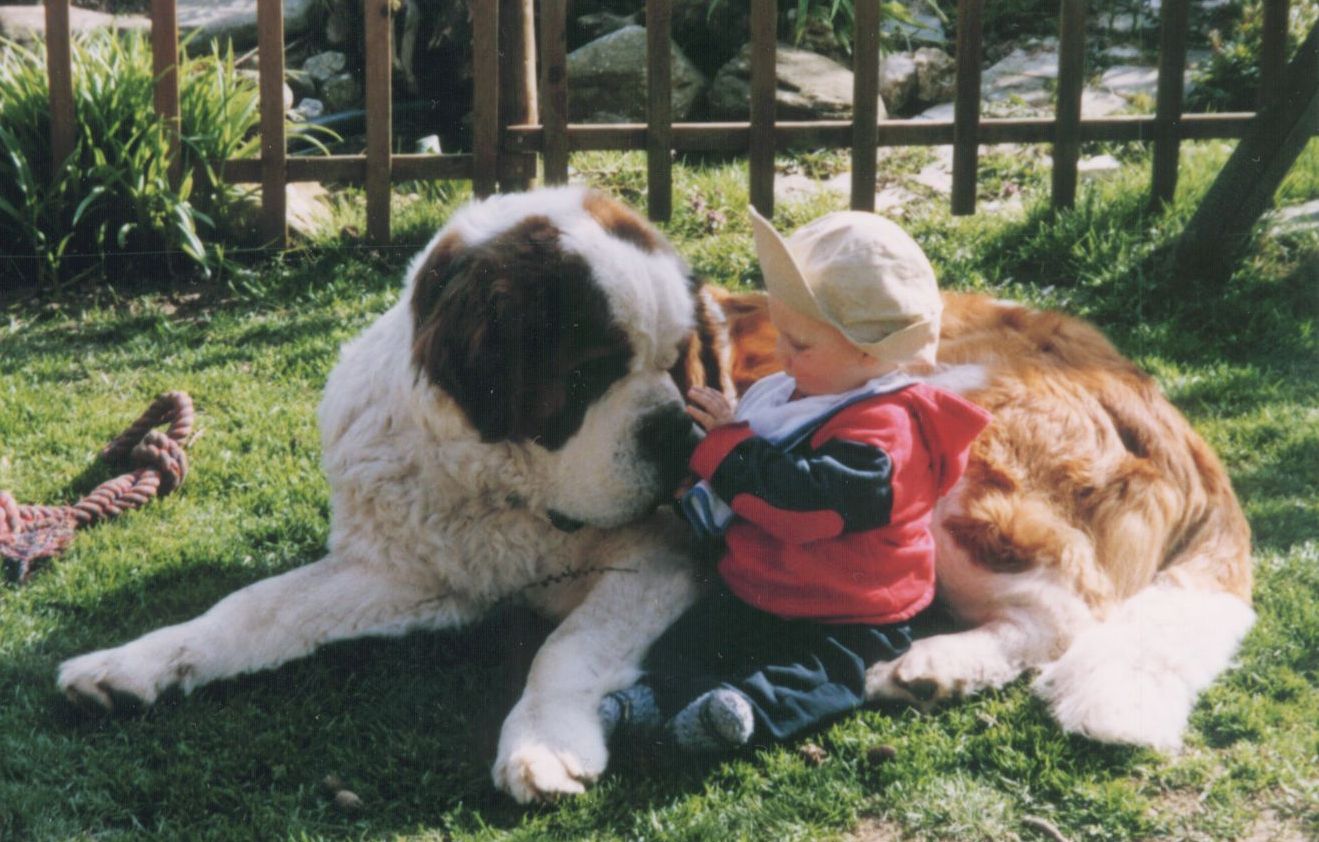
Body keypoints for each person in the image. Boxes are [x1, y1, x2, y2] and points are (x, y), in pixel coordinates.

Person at [599, 207, 993, 752]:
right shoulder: (797, 391)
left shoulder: (888, 430)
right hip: (762, 588)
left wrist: (726, 449)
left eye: (800, 344)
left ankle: (745, 710)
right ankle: (657, 695)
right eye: (781, 334)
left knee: (822, 675)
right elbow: (752, 467)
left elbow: (805, 506)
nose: (782, 354)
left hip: (851, 612)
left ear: (866, 350)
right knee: (698, 634)